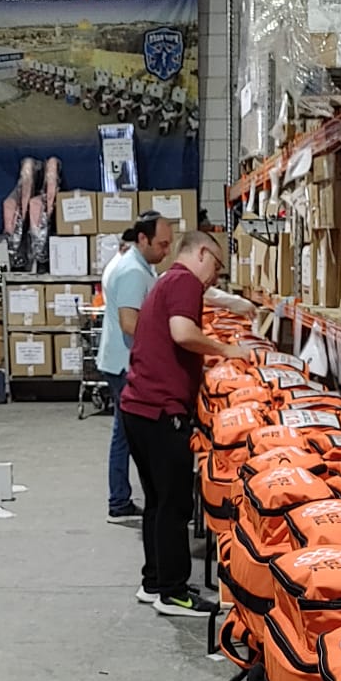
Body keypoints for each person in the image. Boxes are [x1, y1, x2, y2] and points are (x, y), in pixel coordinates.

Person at [121, 228, 257, 619]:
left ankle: (154, 582)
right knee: (175, 504)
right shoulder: (183, 282)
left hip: (139, 408)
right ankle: (174, 592)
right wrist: (226, 349)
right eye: (216, 265)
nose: (214, 276)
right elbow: (182, 333)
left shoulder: (167, 280)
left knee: (157, 503)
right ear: (200, 254)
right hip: (161, 411)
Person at [95, 210, 172, 521]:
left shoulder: (133, 263)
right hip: (125, 365)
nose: (166, 252)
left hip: (116, 359)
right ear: (143, 239)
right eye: (162, 245)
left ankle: (120, 497)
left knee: (123, 433)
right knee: (127, 435)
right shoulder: (133, 272)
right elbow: (130, 323)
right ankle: (119, 500)